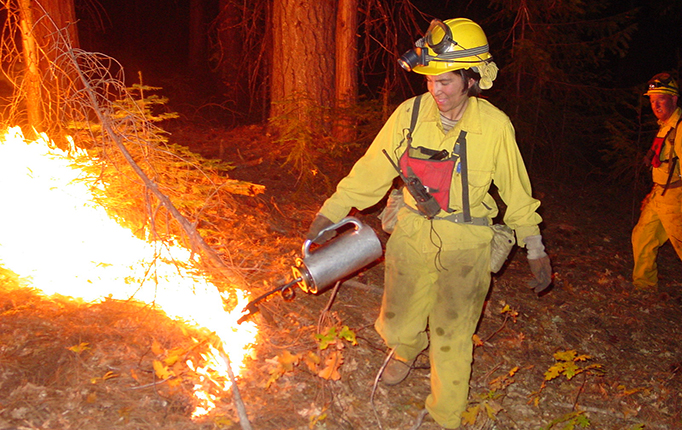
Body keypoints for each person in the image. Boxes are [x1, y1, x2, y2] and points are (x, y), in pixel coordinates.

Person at [306, 18, 551, 429]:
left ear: (471, 80)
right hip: (412, 230)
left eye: (447, 81)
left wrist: (535, 248)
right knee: (397, 317)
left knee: (453, 333)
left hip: (467, 240)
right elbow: (371, 171)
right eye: (431, 80)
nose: (436, 90)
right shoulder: (409, 114)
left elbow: (517, 193)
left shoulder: (494, 127)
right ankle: (404, 350)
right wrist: (329, 213)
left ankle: (445, 415)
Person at [632, 73, 682, 291]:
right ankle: (644, 287)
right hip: (659, 195)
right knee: (642, 237)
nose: (656, 105)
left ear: (674, 100)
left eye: (661, 99)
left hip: (675, 199)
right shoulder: (665, 126)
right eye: (652, 100)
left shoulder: (680, 128)